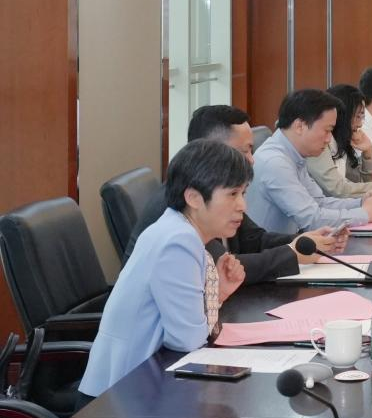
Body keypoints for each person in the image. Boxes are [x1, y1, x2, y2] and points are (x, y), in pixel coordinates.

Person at [79, 139, 249, 400]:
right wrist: (213, 298)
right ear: (193, 197)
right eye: (232, 194)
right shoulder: (178, 241)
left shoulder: (177, 228)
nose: (242, 205)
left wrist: (218, 294)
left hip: (143, 384)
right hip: (119, 399)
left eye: (243, 193)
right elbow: (188, 340)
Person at [125, 105, 344, 284]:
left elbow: (253, 239)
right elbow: (226, 267)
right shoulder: (183, 201)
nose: (251, 160)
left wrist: (304, 241)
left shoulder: (222, 190)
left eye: (251, 150)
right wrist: (291, 254)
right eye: (243, 151)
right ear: (212, 150)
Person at [248, 89, 372, 236]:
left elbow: (319, 202)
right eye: (327, 130)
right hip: (273, 248)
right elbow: (312, 219)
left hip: (288, 243)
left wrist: (361, 202)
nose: (329, 139)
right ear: (300, 126)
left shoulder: (293, 155)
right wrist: (364, 214)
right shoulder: (275, 163)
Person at [307, 84, 372, 199]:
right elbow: (339, 190)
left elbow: (362, 183)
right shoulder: (318, 145)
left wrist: (368, 152)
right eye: (357, 116)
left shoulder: (341, 141)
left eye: (362, 116)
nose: (360, 124)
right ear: (342, 117)